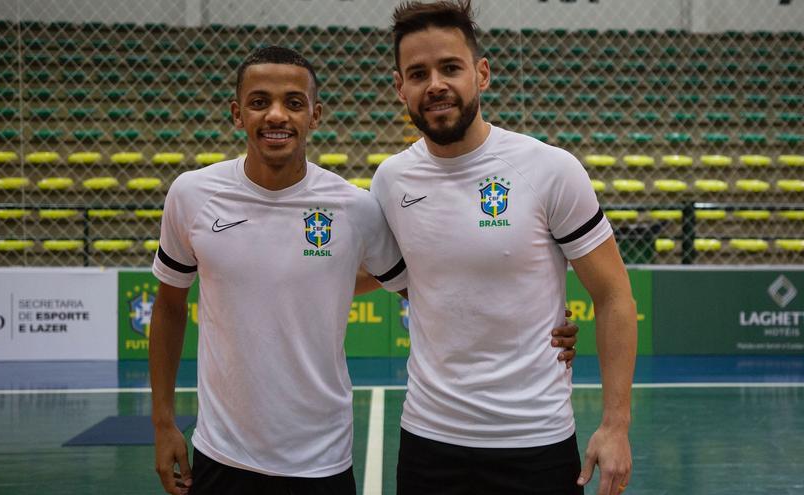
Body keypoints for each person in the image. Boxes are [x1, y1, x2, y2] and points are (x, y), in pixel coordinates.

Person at [148, 45, 581, 495]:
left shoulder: (355, 209)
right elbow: (169, 308)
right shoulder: (191, 196)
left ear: (315, 116)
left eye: (294, 103)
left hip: (322, 461)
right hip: (222, 454)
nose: (276, 115)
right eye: (259, 102)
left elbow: (425, 285)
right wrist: (163, 423)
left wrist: (542, 320)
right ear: (237, 114)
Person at [370, 2, 638, 495]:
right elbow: (399, 274)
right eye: (418, 73)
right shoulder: (390, 181)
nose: (435, 85)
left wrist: (615, 425)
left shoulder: (549, 170)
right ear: (399, 87)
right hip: (429, 442)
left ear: (482, 73)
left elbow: (615, 296)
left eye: (450, 67)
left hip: (535, 442)